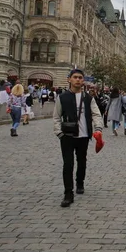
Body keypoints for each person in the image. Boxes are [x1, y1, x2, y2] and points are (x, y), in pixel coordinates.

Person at [53, 69, 103, 207]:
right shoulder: (62, 97)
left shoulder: (88, 98)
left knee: (82, 161)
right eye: (75, 77)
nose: (78, 80)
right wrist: (59, 133)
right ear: (69, 79)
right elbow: (56, 117)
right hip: (67, 135)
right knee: (68, 164)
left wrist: (98, 128)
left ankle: (80, 182)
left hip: (84, 135)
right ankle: (68, 193)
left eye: (80, 77)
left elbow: (96, 114)